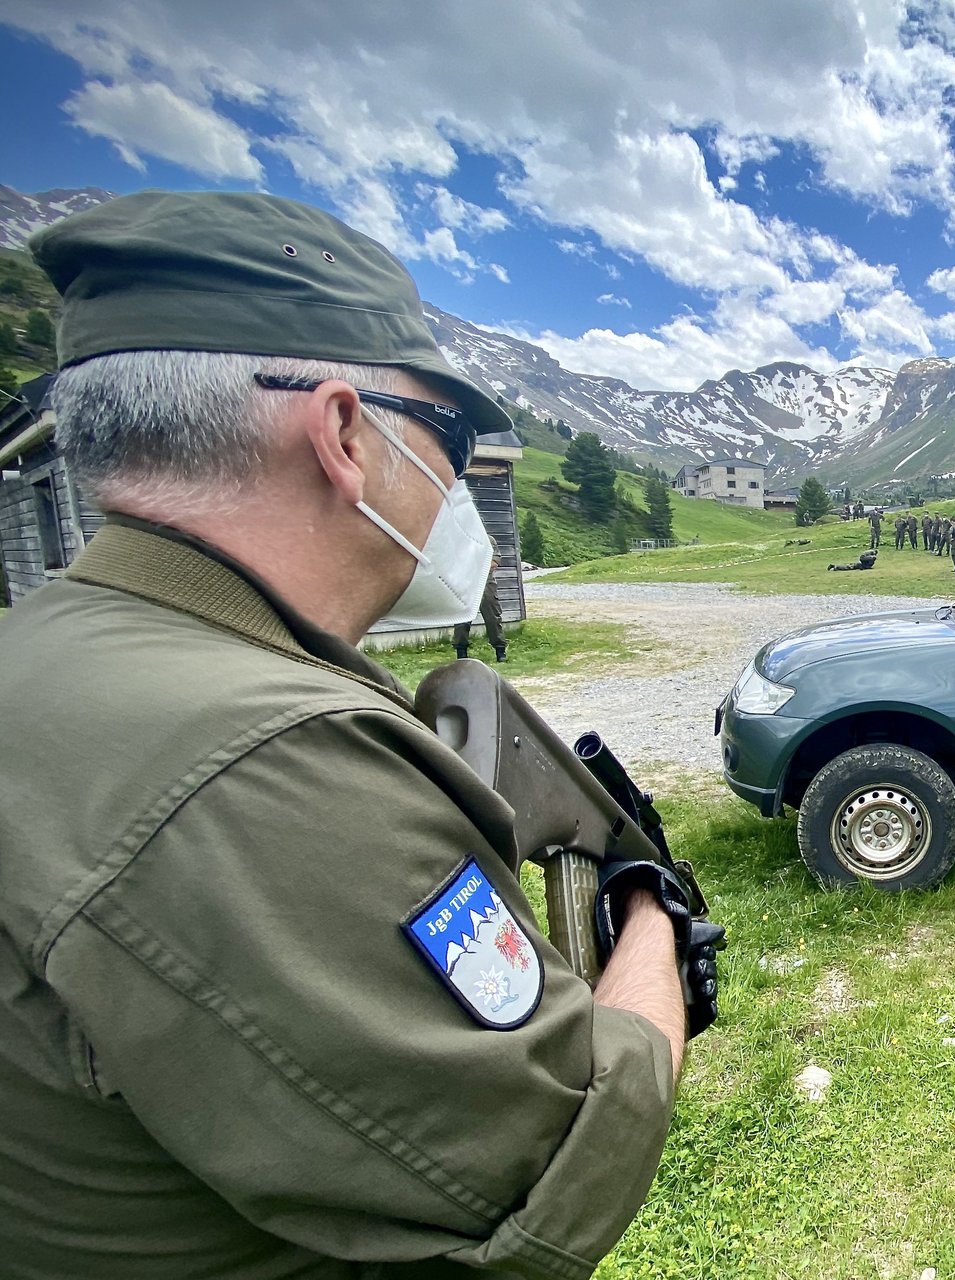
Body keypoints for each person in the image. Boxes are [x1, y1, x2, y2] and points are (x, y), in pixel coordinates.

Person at [0, 191, 687, 1278]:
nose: (456, 480)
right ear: (343, 432)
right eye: (448, 435)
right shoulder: (267, 759)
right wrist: (650, 907)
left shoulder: (44, 650)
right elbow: (564, 1138)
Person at [452, 536, 508, 662]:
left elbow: (495, 562)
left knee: (492, 618)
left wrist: (474, 569)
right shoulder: (460, 538)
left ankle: (500, 650)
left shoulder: (489, 540)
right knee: (462, 618)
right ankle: (461, 653)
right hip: (465, 583)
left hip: (485, 583)